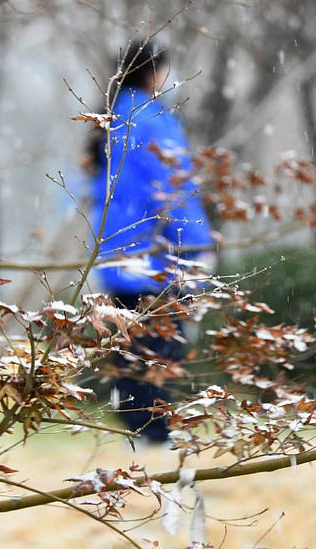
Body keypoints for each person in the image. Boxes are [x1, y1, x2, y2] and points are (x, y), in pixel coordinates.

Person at [86, 41, 213, 443]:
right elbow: (175, 189)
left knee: (130, 344)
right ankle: (155, 433)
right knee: (161, 347)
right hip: (159, 252)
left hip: (120, 252)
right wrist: (195, 247)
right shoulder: (152, 121)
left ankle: (139, 429)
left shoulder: (111, 119)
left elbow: (98, 188)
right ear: (153, 72)